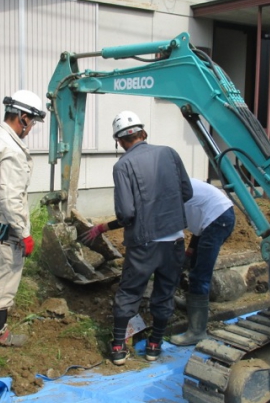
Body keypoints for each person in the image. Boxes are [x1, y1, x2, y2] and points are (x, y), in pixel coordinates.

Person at [82, 110, 192, 365]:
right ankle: (155, 345)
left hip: (143, 243)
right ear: (143, 133)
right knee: (165, 292)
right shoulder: (169, 153)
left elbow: (126, 212)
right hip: (175, 240)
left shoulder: (122, 165)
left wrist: (107, 226)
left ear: (120, 141)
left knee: (130, 291)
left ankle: (119, 346)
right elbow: (185, 192)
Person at [0, 89, 45, 347]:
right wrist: (24, 233)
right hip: (5, 222)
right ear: (22, 117)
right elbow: (11, 198)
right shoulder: (11, 149)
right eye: (32, 122)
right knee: (6, 274)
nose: (32, 127)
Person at [170, 177, 235, 346]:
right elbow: (199, 215)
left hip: (218, 220)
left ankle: (197, 332)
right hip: (214, 217)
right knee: (193, 263)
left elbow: (172, 233)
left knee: (200, 275)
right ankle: (192, 303)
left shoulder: (167, 191)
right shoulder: (173, 181)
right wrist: (191, 250)